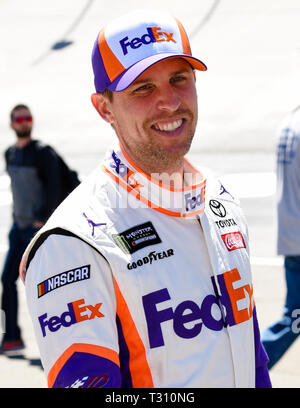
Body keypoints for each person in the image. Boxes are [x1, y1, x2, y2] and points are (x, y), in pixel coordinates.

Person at [21, 10, 271, 388]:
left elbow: (252, 361)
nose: (170, 102)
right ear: (105, 108)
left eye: (179, 79)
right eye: (142, 88)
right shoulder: (72, 243)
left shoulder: (222, 200)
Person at [0, 104, 80, 354]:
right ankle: (11, 338)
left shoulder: (43, 153)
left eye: (27, 118)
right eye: (19, 119)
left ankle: (68, 339)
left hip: (37, 230)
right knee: (6, 280)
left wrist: (44, 220)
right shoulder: (10, 153)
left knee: (51, 284)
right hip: (18, 228)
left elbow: (56, 186)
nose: (24, 122)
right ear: (12, 124)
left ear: (31, 122)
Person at [261, 106, 300, 369]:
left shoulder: (290, 121)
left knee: (295, 318)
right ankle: (250, 367)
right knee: (294, 319)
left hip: (292, 232)